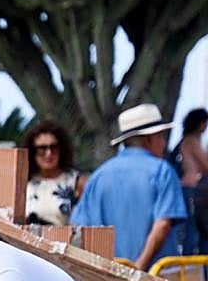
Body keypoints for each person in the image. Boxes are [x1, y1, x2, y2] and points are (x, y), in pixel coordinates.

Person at [71, 103, 186, 270]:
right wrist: (137, 270)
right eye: (162, 136)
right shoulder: (162, 171)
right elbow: (163, 225)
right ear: (148, 139)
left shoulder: (98, 177)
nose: (164, 143)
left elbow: (80, 227)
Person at [21, 120, 85, 226]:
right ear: (32, 152)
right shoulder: (22, 183)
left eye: (53, 148)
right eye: (42, 149)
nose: (48, 154)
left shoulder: (77, 183)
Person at [173, 108, 208, 256]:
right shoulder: (191, 141)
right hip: (192, 190)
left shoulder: (185, 140)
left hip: (188, 189)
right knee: (192, 232)